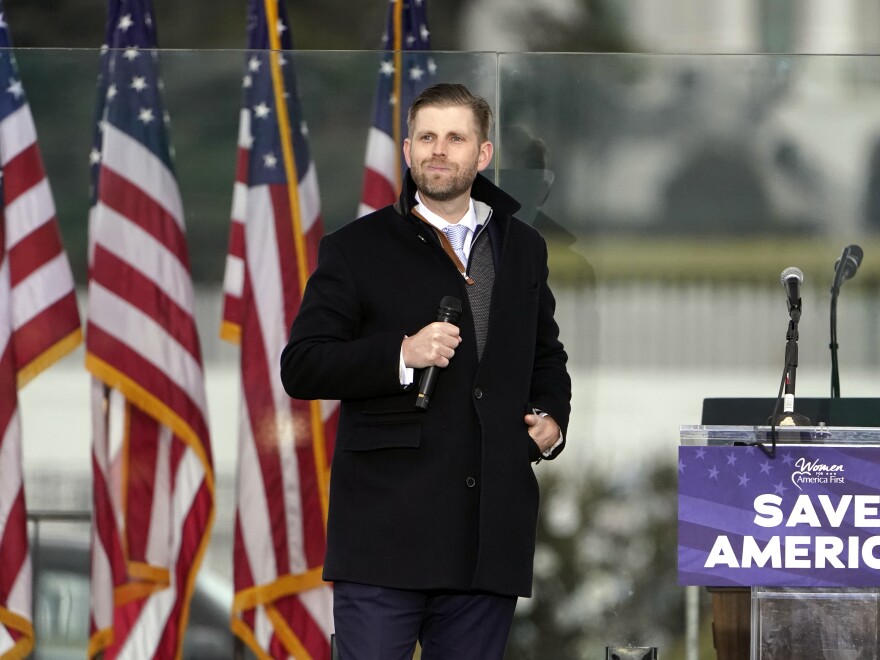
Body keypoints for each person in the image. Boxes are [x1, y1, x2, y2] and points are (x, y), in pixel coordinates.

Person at [280, 82, 571, 660]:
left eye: (455, 138)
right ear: (409, 150)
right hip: (383, 539)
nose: (439, 150)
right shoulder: (354, 248)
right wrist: (400, 355)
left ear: (482, 154)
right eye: (427, 137)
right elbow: (302, 365)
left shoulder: (525, 248)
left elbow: (546, 355)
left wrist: (552, 418)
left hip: (488, 539)